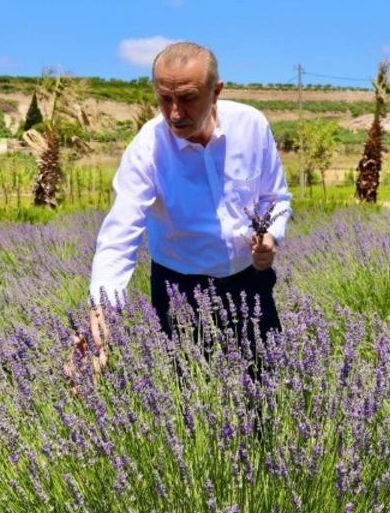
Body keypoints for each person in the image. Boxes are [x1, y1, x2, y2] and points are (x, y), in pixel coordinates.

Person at [82, 42, 292, 368]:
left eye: (188, 98)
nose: (175, 113)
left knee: (270, 385)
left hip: (248, 278)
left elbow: (274, 197)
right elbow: (120, 233)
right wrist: (102, 310)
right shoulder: (147, 148)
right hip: (179, 287)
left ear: (216, 91)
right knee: (188, 396)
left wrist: (270, 236)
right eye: (165, 99)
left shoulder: (251, 126)